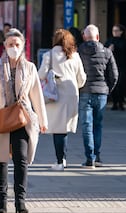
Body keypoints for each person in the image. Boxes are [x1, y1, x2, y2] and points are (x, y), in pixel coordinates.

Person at [0, 28, 48, 213]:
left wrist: (42, 120)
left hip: (21, 118)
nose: (13, 47)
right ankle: (2, 201)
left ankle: (20, 201)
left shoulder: (29, 67)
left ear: (23, 47)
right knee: (1, 160)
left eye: (17, 45)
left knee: (21, 159)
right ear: (4, 46)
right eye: (10, 44)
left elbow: (37, 95)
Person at [38, 29, 86, 171]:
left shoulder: (49, 55)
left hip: (55, 95)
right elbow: (82, 78)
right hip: (71, 95)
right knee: (63, 129)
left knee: (58, 129)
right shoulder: (75, 56)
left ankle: (60, 160)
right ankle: (62, 159)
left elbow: (41, 74)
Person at [78, 24, 118, 168]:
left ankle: (90, 158)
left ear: (84, 37)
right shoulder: (107, 52)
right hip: (101, 93)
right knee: (98, 126)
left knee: (86, 126)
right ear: (98, 37)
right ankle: (97, 155)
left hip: (84, 92)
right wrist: (108, 89)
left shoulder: (78, 52)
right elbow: (114, 75)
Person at [105, 24, 126, 110]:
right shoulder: (109, 41)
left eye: (116, 31)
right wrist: (109, 49)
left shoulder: (124, 42)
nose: (115, 33)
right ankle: (115, 102)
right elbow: (104, 51)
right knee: (113, 84)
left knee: (121, 84)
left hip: (121, 66)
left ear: (121, 32)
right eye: (113, 31)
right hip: (111, 66)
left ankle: (121, 102)